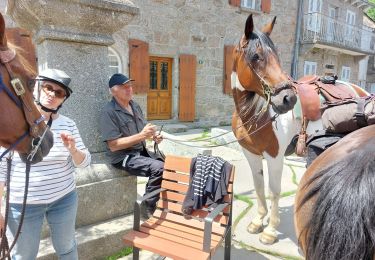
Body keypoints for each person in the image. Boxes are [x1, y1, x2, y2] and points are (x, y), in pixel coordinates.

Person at [0, 68, 91, 259]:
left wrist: (73, 150)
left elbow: (85, 163)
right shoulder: (15, 123)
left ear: (63, 100)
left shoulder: (68, 124)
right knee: (23, 255)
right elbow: (1, 169)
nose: (52, 94)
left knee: (67, 248)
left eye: (59, 93)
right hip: (23, 204)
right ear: (36, 88)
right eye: (48, 88)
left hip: (64, 199)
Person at [100, 73, 164, 219]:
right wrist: (142, 135)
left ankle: (163, 203)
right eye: (124, 87)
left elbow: (142, 131)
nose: (129, 89)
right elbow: (113, 145)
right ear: (113, 91)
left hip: (140, 151)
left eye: (130, 86)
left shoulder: (135, 106)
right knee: (159, 168)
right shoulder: (108, 112)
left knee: (168, 165)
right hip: (123, 156)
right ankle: (147, 206)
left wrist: (153, 136)